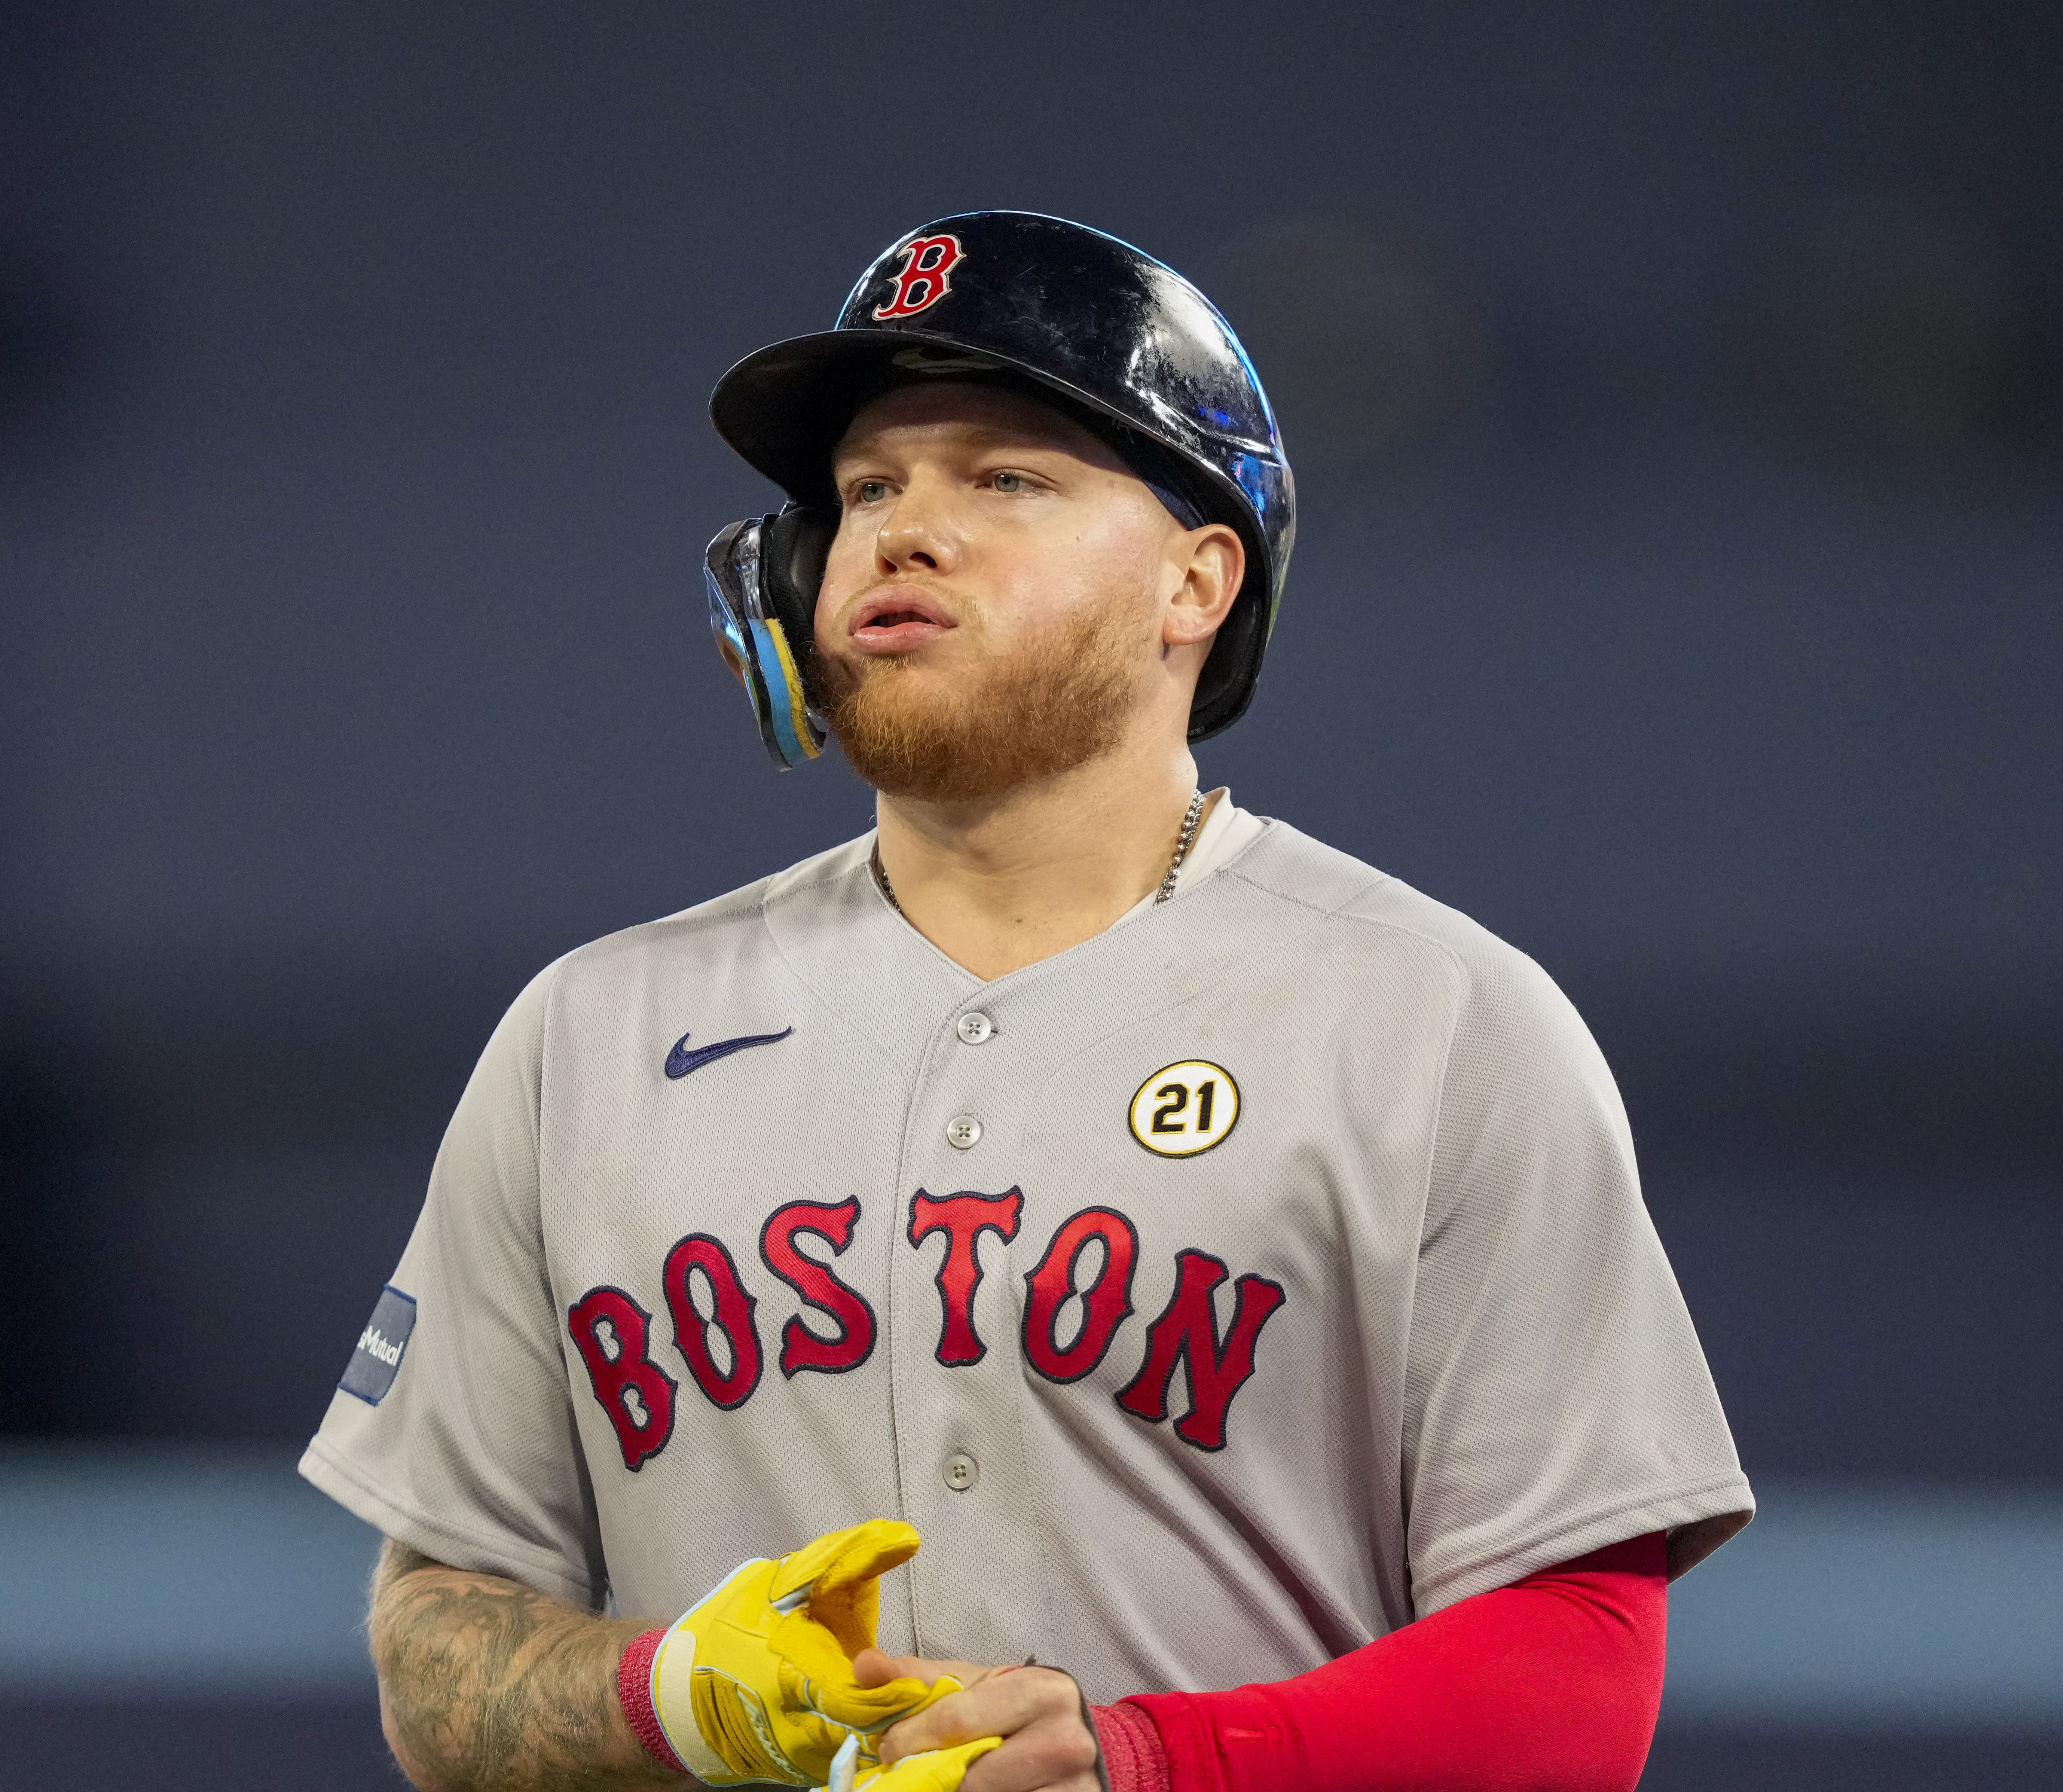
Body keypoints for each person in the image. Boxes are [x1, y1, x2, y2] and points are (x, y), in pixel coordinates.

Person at [299, 211, 1751, 1792]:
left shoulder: (1433, 1020)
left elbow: (1574, 1671)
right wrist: (669, 1694)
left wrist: (1147, 1765)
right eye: (866, 490)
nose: (904, 532)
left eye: (1006, 478)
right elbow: (436, 1649)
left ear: (1196, 580)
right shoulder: (586, 1038)